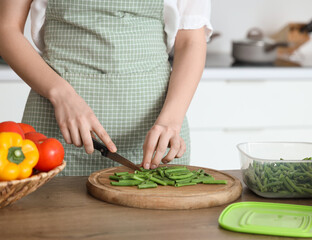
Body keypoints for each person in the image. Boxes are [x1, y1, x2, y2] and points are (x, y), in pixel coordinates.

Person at [0, 0, 212, 176]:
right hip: (56, 130)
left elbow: (191, 40)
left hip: (157, 132)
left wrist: (171, 121)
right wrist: (61, 94)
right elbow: (6, 28)